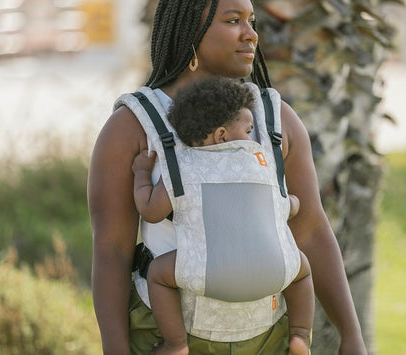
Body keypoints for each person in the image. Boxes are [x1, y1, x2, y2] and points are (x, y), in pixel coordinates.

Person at [88, 0, 367, 354]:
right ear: (190, 34)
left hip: (268, 337)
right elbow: (112, 249)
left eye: (252, 21)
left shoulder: (273, 118)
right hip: (167, 338)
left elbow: (310, 229)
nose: (250, 35)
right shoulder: (134, 125)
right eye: (233, 21)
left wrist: (352, 335)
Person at [132, 76, 313, 355]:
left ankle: (176, 344)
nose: (252, 137)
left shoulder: (182, 167)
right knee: (301, 268)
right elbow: (289, 205)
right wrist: (294, 202)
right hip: (271, 274)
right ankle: (300, 335)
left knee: (157, 274)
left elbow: (150, 211)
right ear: (221, 135)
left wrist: (141, 173)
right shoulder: (261, 162)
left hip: (207, 274)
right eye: (248, 128)